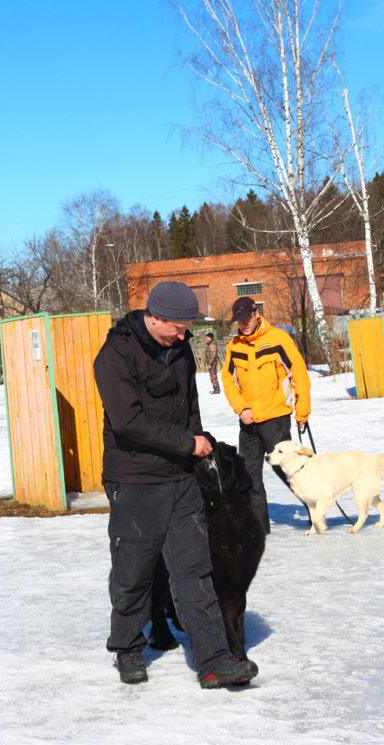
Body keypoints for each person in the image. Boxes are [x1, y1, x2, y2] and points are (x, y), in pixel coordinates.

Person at [94, 281, 258, 689]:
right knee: (135, 569)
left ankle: (215, 660)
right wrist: (188, 443)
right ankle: (128, 647)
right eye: (179, 327)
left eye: (187, 328)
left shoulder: (180, 348)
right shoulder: (115, 355)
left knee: (194, 570)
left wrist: (196, 452)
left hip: (181, 476)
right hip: (134, 478)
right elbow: (127, 422)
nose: (185, 336)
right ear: (155, 317)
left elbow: (189, 406)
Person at [221, 297, 311, 535]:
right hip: (248, 423)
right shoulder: (234, 346)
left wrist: (302, 411)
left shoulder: (278, 339)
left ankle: (314, 510)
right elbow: (228, 381)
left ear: (256, 313)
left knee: (287, 470)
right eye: (239, 320)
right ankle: (258, 528)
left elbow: (299, 374)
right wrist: (242, 408)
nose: (243, 324)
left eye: (246, 318)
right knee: (248, 476)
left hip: (276, 418)